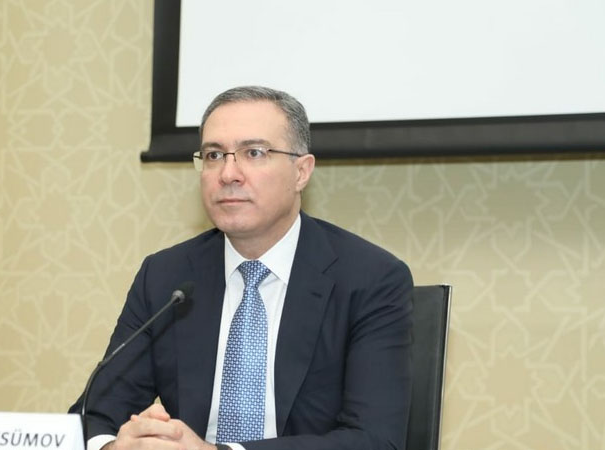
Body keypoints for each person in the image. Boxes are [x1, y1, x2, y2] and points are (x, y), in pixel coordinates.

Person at [69, 86, 413, 450]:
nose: (228, 173)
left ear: (301, 172)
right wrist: (114, 448)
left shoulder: (371, 279)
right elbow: (93, 415)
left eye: (254, 152)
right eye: (214, 155)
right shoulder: (165, 277)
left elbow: (375, 440)